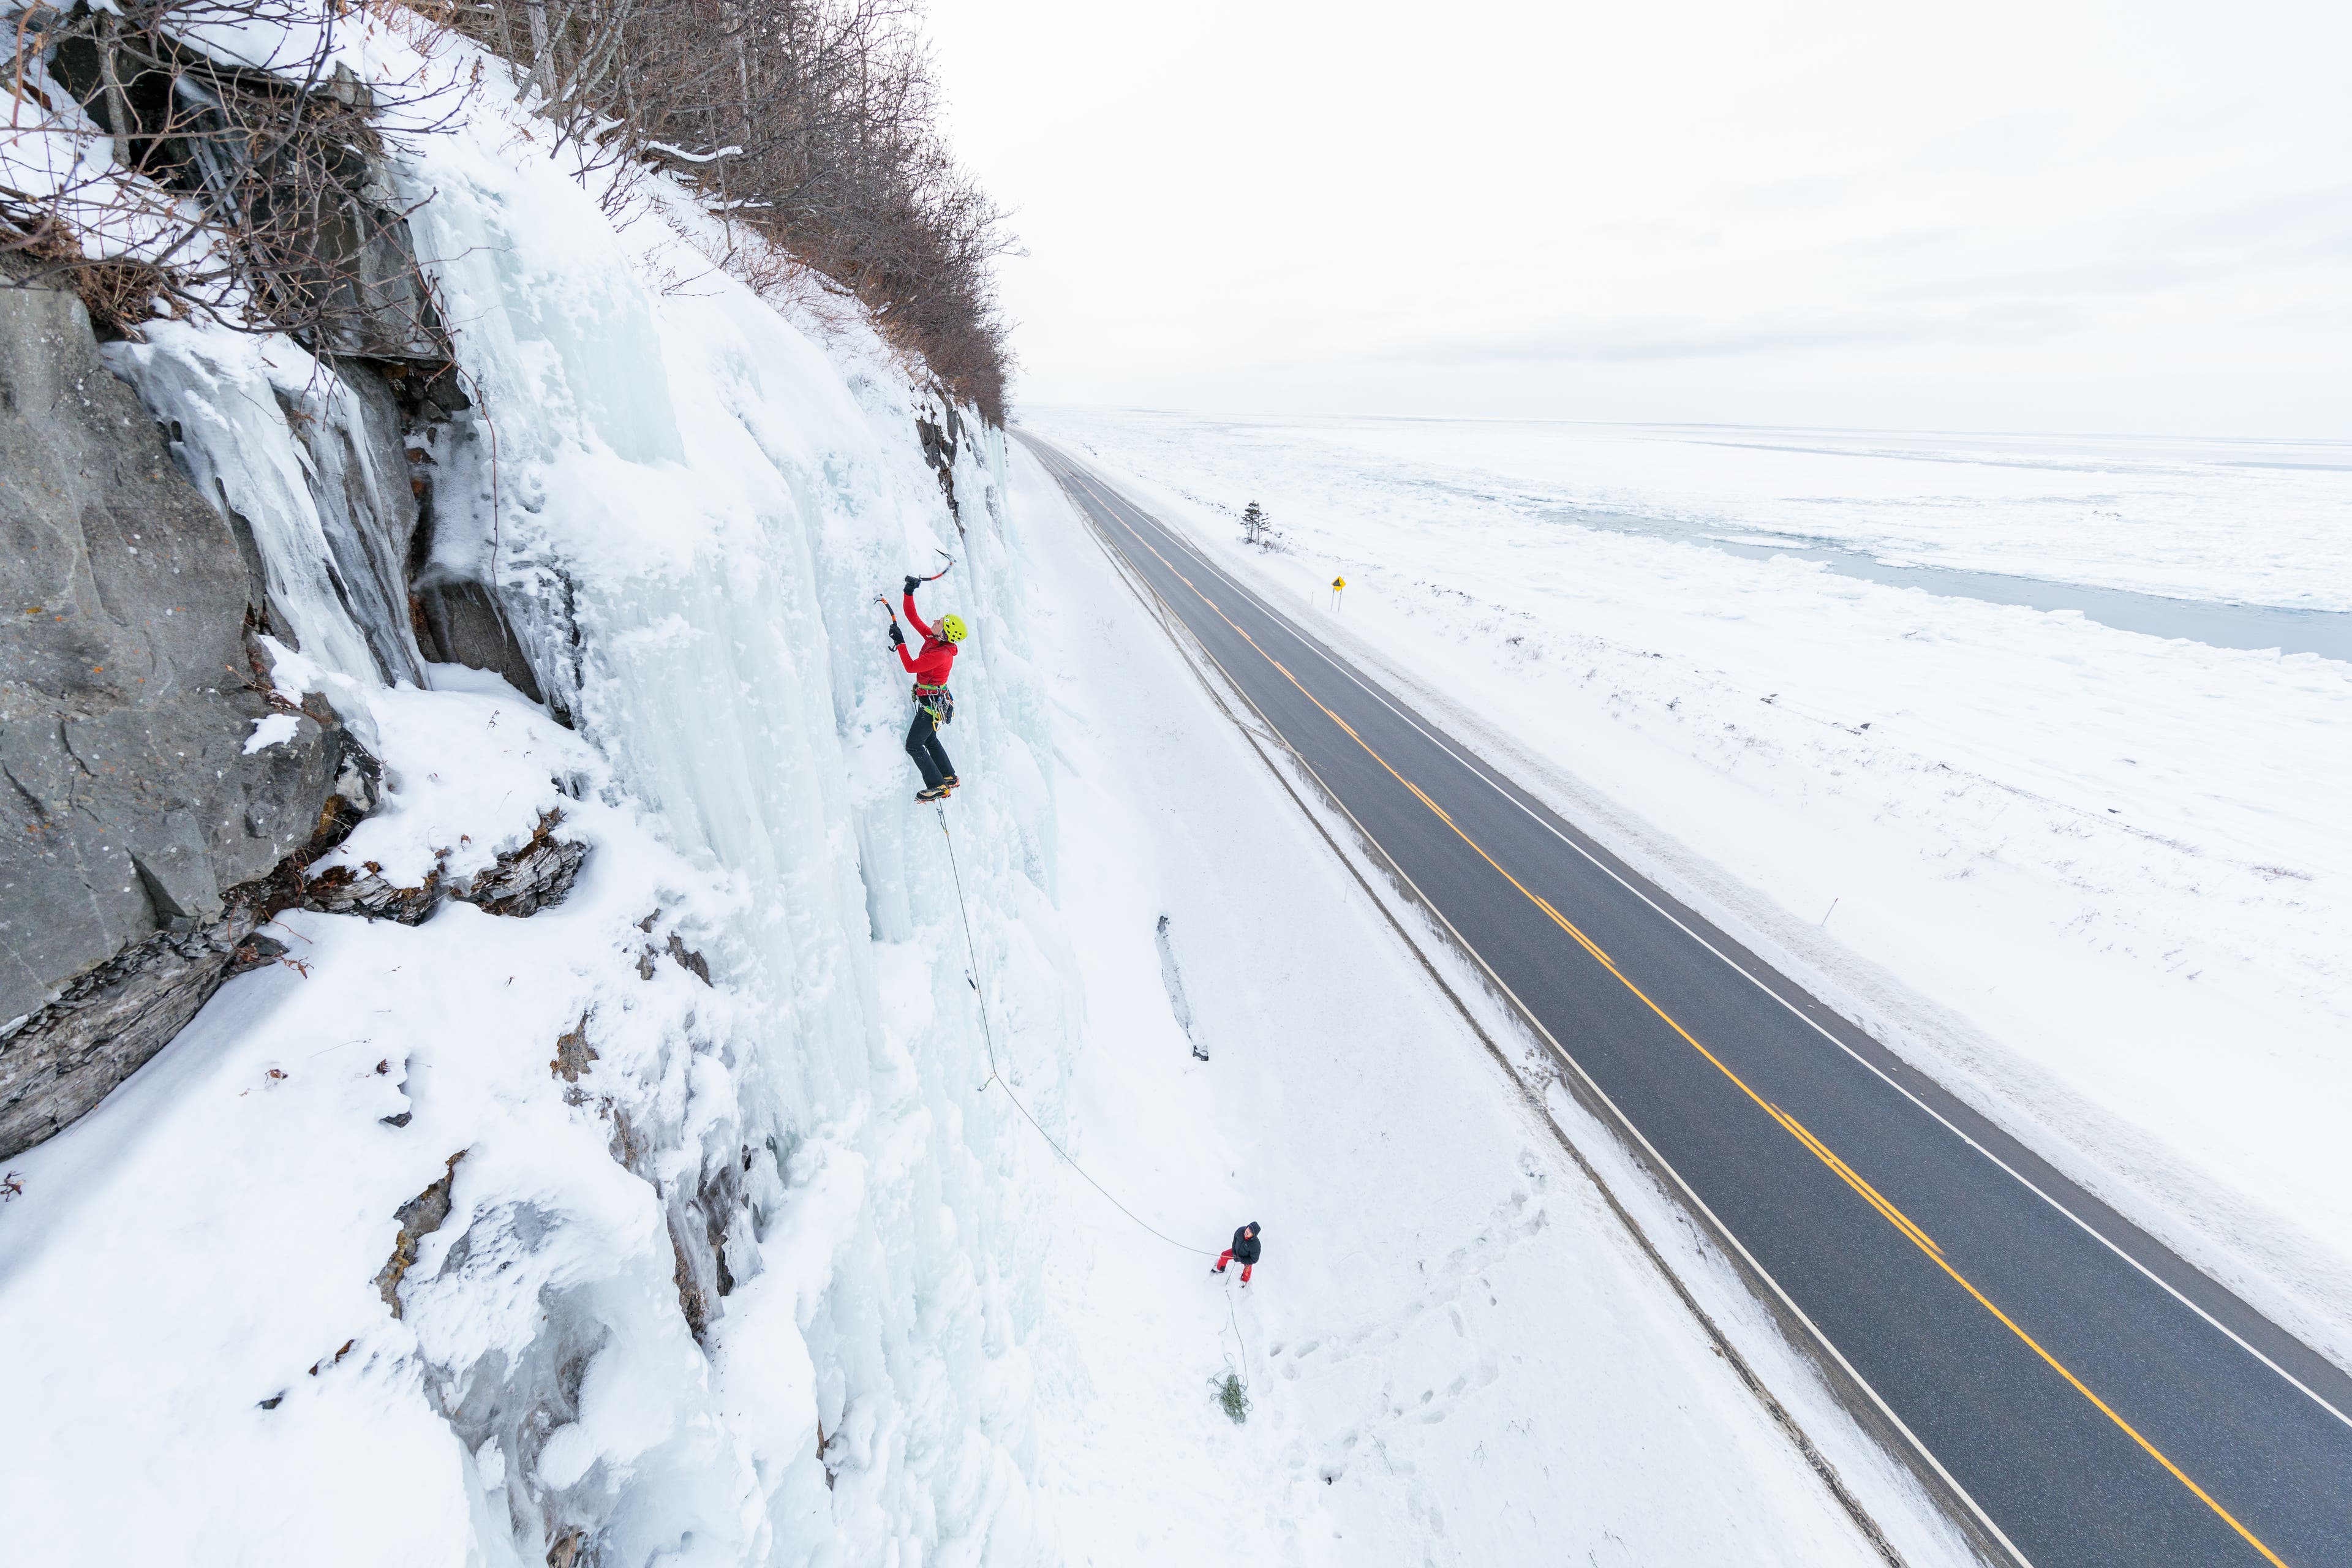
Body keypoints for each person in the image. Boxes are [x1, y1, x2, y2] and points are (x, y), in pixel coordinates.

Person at [891, 575, 967, 801]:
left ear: (944, 632)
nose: (935, 620)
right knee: (930, 739)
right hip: (934, 700)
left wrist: (900, 643)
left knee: (914, 745)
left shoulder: (940, 654)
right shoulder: (935, 640)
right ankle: (949, 776)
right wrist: (909, 591)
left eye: (940, 621)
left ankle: (937, 786)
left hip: (930, 706)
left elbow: (911, 667)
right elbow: (913, 617)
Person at [1212, 1221, 1262, 1286]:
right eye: (1249, 1229)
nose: (1248, 1232)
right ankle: (1220, 1268)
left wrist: (1241, 1260)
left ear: (1253, 1235)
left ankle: (1244, 1280)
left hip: (1246, 1258)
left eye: (1251, 1232)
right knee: (1224, 1255)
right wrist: (1234, 1252)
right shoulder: (1241, 1231)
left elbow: (1254, 1260)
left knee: (1247, 1269)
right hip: (1236, 1252)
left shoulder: (1256, 1246)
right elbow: (1235, 1241)